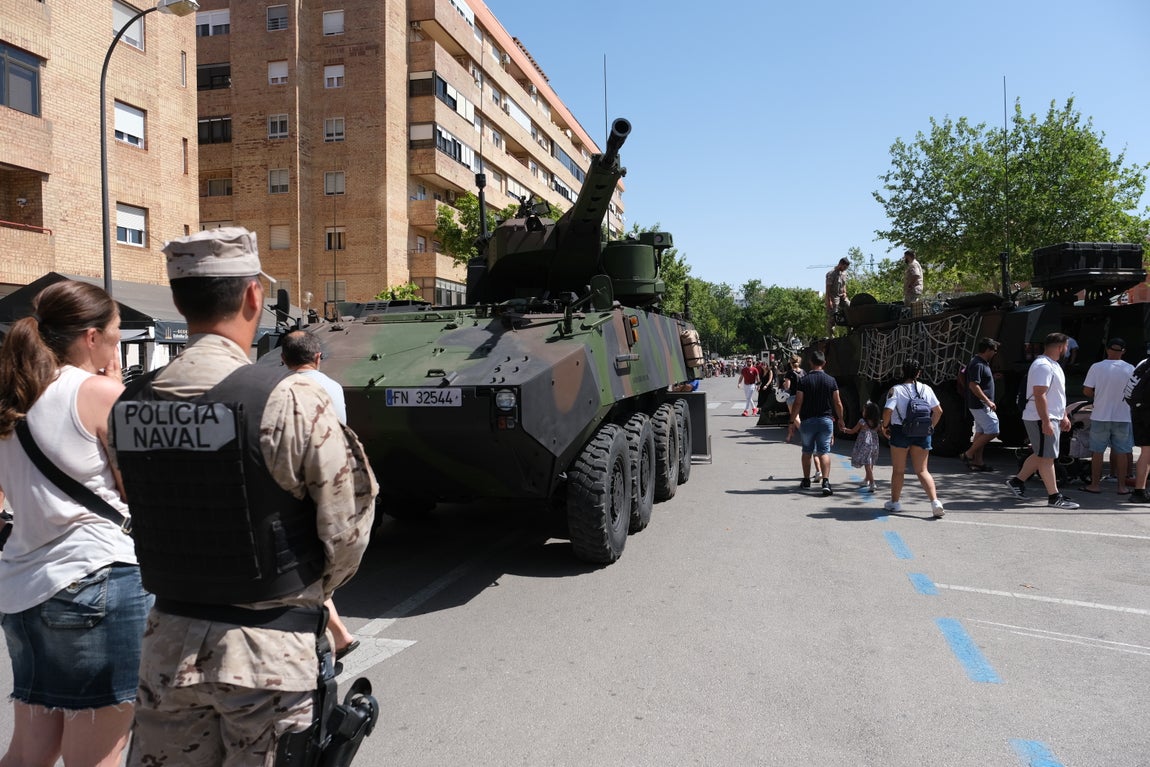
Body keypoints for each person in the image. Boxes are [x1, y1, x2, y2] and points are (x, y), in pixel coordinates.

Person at [113, 227, 379, 765]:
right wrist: (305, 589)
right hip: (269, 655)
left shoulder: (131, 404)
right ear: (254, 295)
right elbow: (347, 527)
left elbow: (139, 503)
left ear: (177, 300)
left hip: (167, 647)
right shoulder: (290, 400)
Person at [0, 280, 151, 767]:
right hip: (97, 578)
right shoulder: (101, 394)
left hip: (23, 586)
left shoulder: (13, 398)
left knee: (28, 752)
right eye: (114, 333)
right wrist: (118, 390)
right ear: (90, 337)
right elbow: (139, 493)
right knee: (98, 756)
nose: (119, 342)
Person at [279, 329, 359, 659]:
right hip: (334, 488)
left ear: (283, 359)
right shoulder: (334, 388)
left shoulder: (279, 389)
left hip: (296, 489)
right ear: (318, 357)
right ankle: (338, 634)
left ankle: (328, 638)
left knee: (298, 569)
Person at [1004, 332, 1080, 509]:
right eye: (1067, 347)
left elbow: (1055, 395)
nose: (1067, 350)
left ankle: (1017, 482)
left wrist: (1063, 415)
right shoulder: (1042, 366)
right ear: (1061, 347)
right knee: (1047, 458)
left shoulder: (1053, 365)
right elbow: (1040, 395)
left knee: (1041, 454)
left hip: (1048, 416)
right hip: (1041, 417)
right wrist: (1046, 421)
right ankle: (1054, 497)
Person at [880, 359, 945, 517]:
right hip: (922, 433)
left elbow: (888, 411)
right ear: (919, 373)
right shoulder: (926, 389)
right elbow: (938, 411)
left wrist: (884, 425)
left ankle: (894, 503)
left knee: (899, 470)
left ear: (902, 371)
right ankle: (935, 502)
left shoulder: (896, 390)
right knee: (922, 470)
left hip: (900, 431)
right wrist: (930, 428)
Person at [1081, 338, 1135, 495]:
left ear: (1106, 349)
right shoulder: (1130, 368)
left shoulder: (1097, 367)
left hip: (1100, 415)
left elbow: (1086, 390)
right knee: (1122, 451)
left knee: (1097, 451)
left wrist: (1098, 396)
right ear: (1123, 351)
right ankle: (1122, 487)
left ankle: (1095, 485)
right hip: (1123, 415)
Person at [787, 348, 844, 496]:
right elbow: (837, 403)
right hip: (826, 421)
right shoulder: (831, 380)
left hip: (808, 421)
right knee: (824, 452)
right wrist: (841, 419)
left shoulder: (804, 381)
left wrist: (792, 421)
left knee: (807, 451)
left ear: (810, 362)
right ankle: (826, 482)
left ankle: (806, 480)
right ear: (824, 363)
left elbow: (798, 403)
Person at [961, 337, 1001, 471]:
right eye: (994, 350)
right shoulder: (978, 364)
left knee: (981, 431)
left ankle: (978, 462)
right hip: (980, 405)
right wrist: (987, 401)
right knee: (994, 429)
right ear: (988, 350)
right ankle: (968, 454)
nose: (995, 353)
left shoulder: (981, 363)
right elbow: (973, 385)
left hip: (979, 404)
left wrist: (992, 378)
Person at [1125, 355, 1150, 503]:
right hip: (1147, 412)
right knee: (1147, 453)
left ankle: (1139, 490)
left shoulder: (1144, 362)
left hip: (1138, 412)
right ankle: (1139, 491)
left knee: (1146, 452)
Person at [841, 400, 881, 492]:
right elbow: (882, 432)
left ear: (868, 413)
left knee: (867, 464)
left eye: (864, 411)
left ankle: (872, 483)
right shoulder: (877, 423)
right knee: (870, 463)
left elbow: (852, 431)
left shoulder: (862, 422)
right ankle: (866, 480)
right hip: (874, 445)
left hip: (865, 445)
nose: (862, 412)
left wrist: (844, 430)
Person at [824, 257, 850, 337]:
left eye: (846, 268)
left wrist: (845, 292)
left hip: (842, 296)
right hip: (833, 297)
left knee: (850, 307)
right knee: (833, 316)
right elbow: (828, 289)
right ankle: (831, 336)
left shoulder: (844, 273)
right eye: (844, 267)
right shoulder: (831, 274)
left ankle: (850, 330)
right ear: (840, 264)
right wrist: (829, 301)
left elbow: (844, 284)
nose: (845, 269)